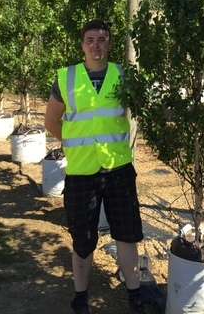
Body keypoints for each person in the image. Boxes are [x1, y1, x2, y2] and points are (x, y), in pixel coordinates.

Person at [44, 19, 145, 314]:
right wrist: (76, 142)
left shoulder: (123, 76)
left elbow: (143, 107)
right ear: (82, 45)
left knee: (127, 235)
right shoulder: (66, 77)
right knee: (83, 238)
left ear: (110, 44)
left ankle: (135, 297)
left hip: (118, 169)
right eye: (90, 39)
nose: (96, 45)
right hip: (81, 172)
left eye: (102, 39)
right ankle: (80, 298)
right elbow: (51, 122)